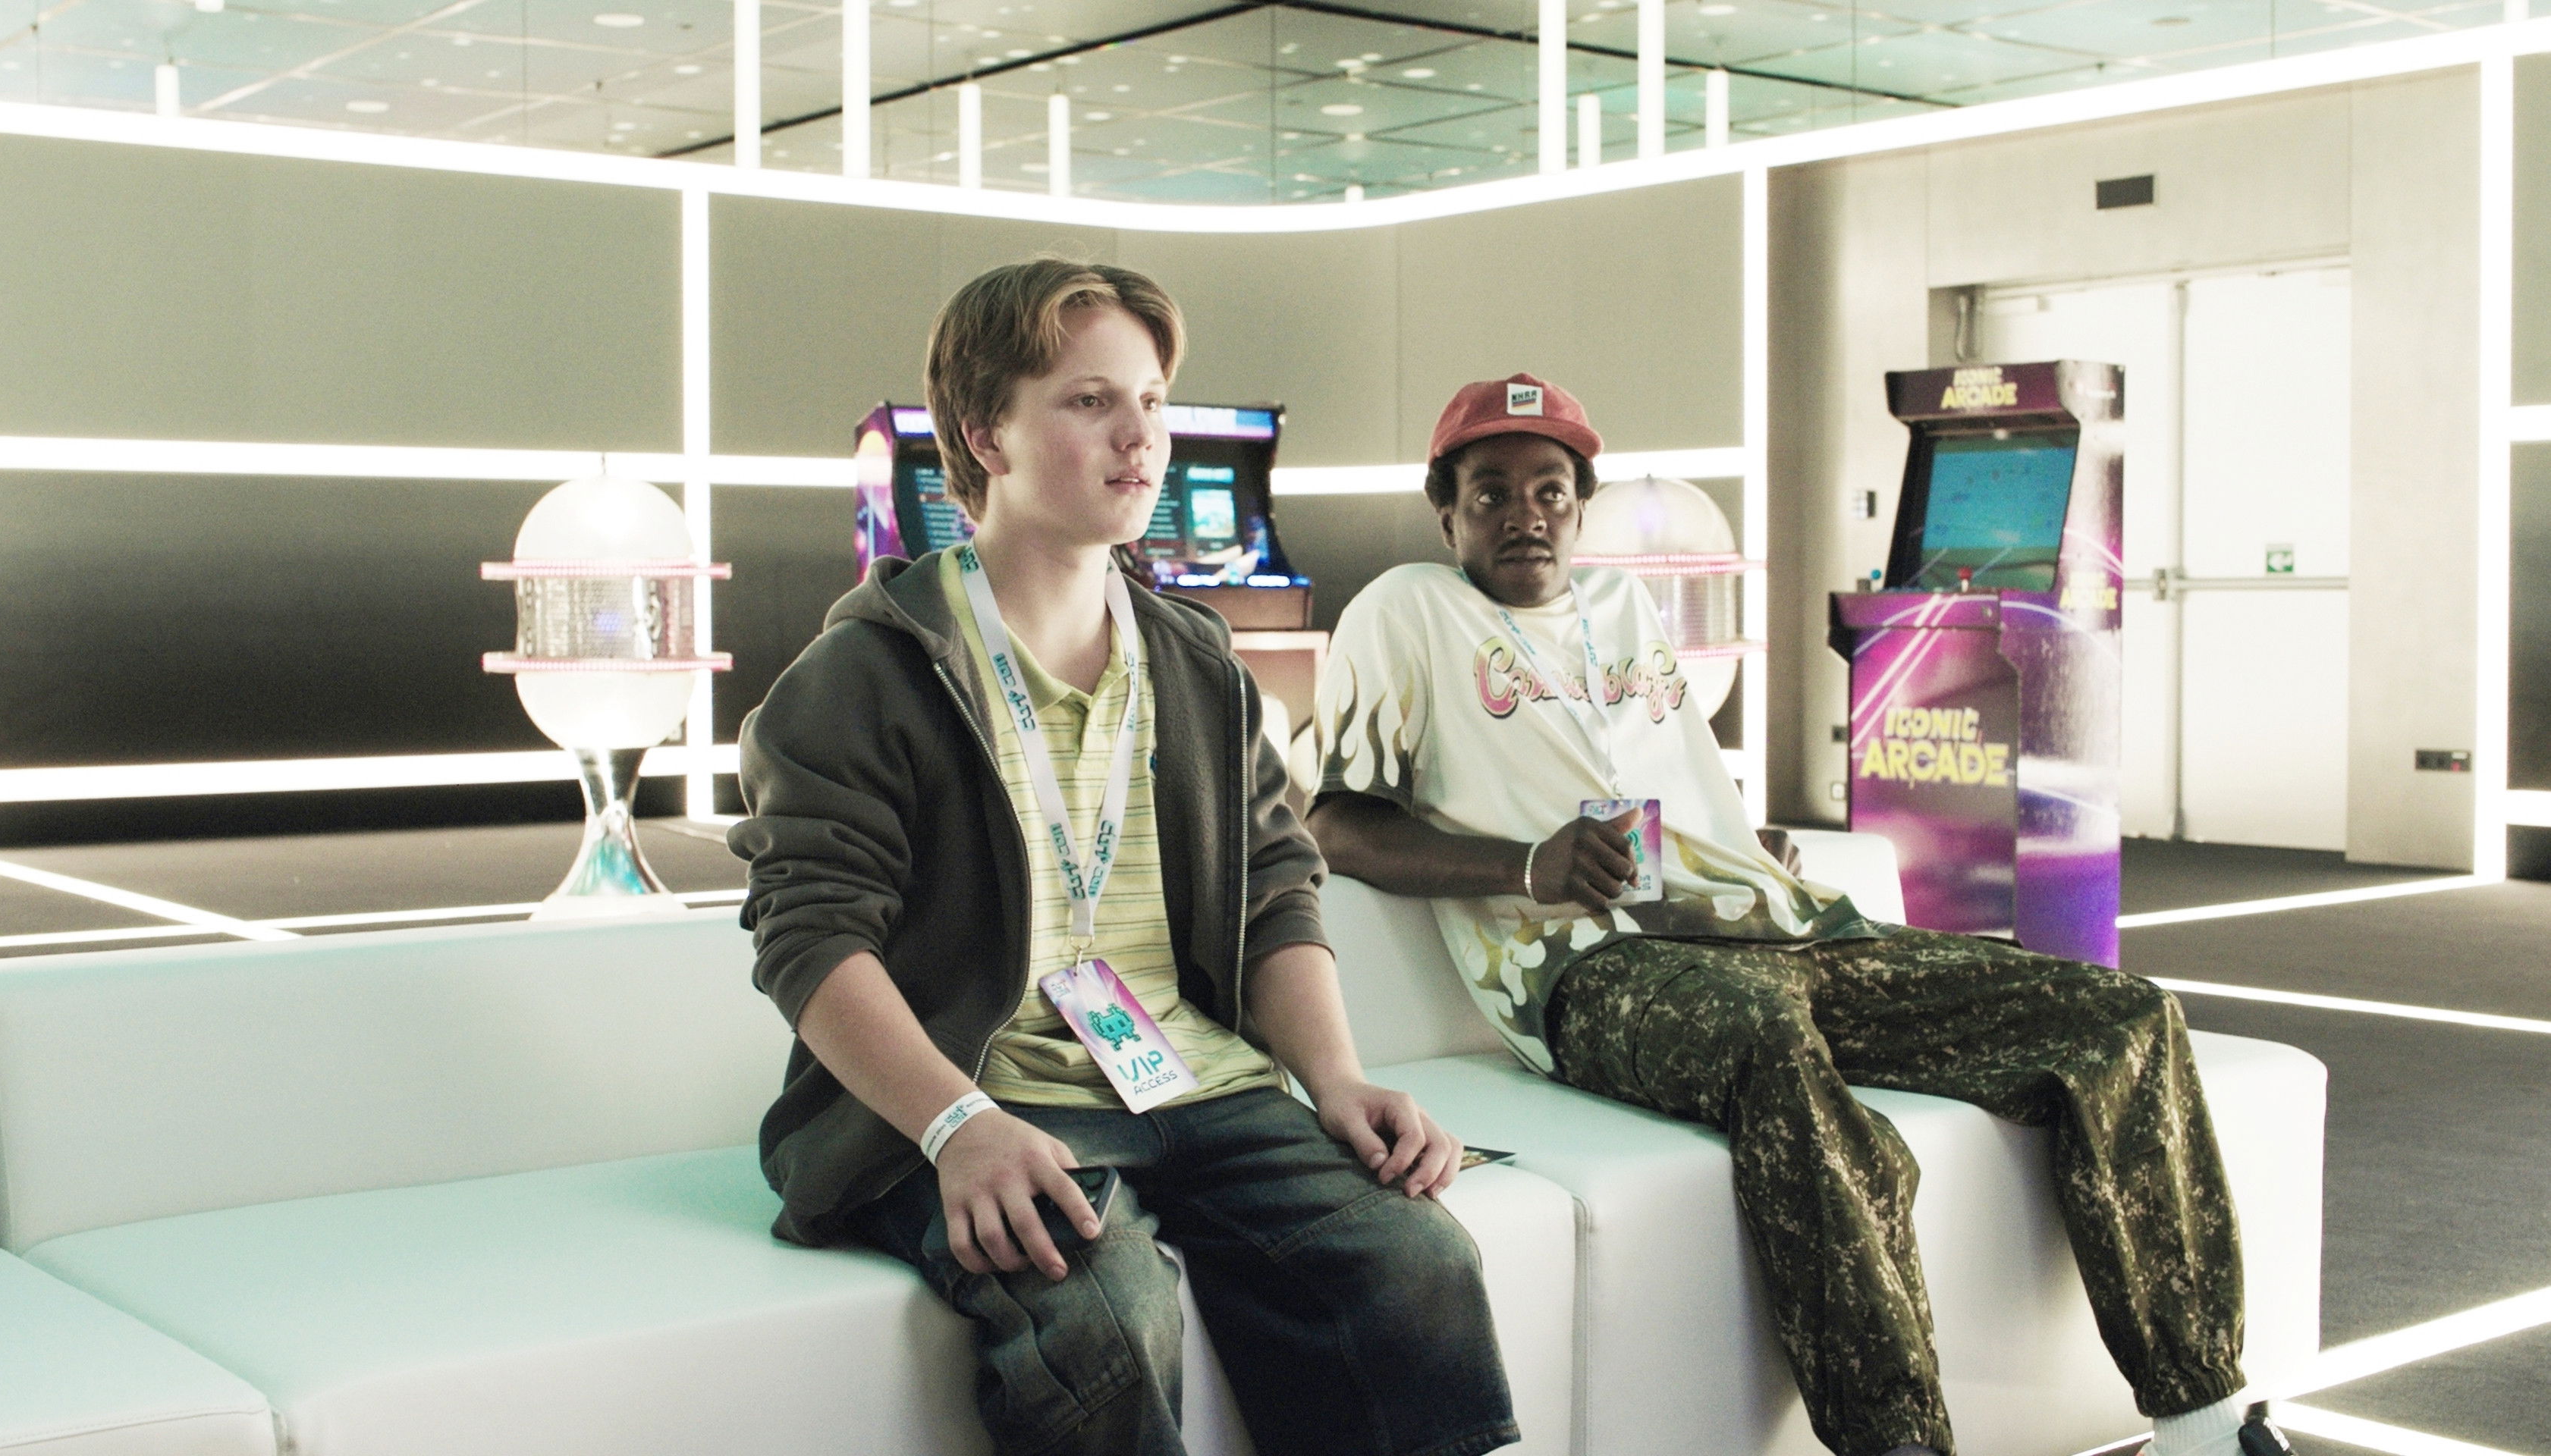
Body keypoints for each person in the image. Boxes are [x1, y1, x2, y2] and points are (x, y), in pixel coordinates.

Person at [1305, 372, 2279, 1456]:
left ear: (1581, 507)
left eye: (1550, 491)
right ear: (1446, 512)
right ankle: (1895, 1441)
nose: (1523, 514)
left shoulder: (1623, 609)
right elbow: (1335, 824)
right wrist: (1528, 865)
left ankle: (2202, 1421)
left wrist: (1733, 841)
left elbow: (1657, 780)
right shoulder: (1407, 608)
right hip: (1587, 972)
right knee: (1774, 1046)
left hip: (1778, 929)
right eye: (1490, 493)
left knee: (2121, 1016)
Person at [728, 259, 1517, 1456]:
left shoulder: (1195, 665)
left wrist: (1336, 1079)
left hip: (1192, 1083)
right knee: (1106, 1314)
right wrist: (956, 1127)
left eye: (1150, 401)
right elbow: (811, 936)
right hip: (979, 1096)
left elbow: (1276, 891)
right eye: (1089, 402)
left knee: (1414, 1260)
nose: (1140, 438)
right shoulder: (864, 675)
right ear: (985, 433)